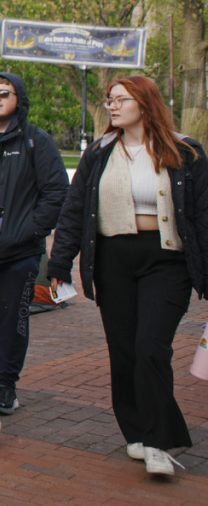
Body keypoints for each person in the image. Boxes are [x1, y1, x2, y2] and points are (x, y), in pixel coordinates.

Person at [47, 75, 208, 477]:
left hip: (166, 260)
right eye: (109, 100)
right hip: (114, 257)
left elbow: (203, 214)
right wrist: (59, 263)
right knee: (124, 350)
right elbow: (74, 209)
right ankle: (135, 431)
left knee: (151, 346)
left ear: (145, 103)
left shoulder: (186, 151)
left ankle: (157, 441)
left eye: (121, 99)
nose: (112, 106)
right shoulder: (100, 152)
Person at [0, 73, 69, 415]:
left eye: (4, 93)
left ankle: (5, 382)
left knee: (13, 317)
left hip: (20, 250)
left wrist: (31, 229)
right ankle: (0, 361)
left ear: (18, 99)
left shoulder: (36, 142)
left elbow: (57, 191)